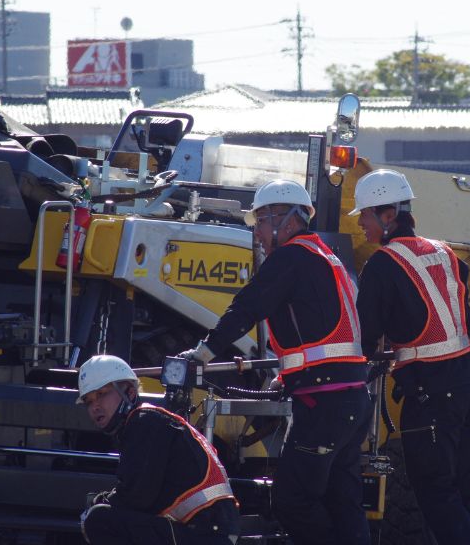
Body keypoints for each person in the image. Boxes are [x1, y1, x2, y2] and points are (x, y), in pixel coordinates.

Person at [179, 179, 372, 545]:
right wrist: (288, 374)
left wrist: (200, 355)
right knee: (343, 501)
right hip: (351, 399)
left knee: (292, 502)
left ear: (285, 219)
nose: (259, 235)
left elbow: (246, 308)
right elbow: (322, 332)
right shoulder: (328, 256)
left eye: (261, 224)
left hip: (323, 402)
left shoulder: (290, 257)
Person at [351, 168, 470, 545]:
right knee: (467, 491)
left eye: (365, 214)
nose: (361, 223)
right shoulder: (444, 251)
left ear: (389, 215)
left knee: (435, 494)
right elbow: (468, 318)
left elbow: (362, 338)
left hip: (431, 391)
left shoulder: (382, 264)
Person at [76, 354, 240, 545]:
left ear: (129, 393)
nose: (95, 406)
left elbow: (136, 497)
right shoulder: (145, 422)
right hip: (209, 532)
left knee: (99, 520)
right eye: (88, 401)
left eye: (102, 394)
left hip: (207, 535)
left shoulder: (144, 422)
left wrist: (98, 503)